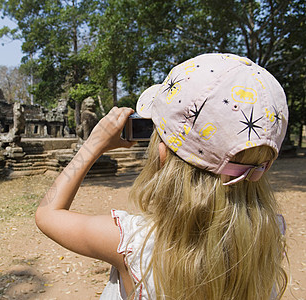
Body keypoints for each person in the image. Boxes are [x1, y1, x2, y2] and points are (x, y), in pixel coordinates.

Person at [35, 53, 288, 299]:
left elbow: (47, 214)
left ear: (163, 152)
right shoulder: (267, 238)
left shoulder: (136, 245)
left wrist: (94, 143)